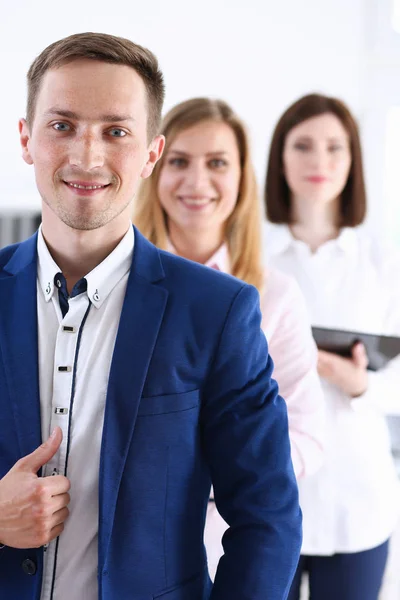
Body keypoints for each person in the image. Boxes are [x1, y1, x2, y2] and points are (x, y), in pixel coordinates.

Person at [0, 33, 302, 600]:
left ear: (150, 154)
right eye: (62, 125)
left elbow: (268, 517)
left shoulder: (218, 312)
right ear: (26, 138)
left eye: (116, 132)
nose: (87, 156)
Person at [133, 97, 325, 578]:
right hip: (124, 542)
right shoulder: (117, 283)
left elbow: (305, 433)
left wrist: (225, 477)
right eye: (179, 161)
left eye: (217, 163)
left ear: (242, 178)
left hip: (227, 546)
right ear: (153, 167)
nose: (197, 183)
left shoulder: (275, 296)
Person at [263, 92, 400, 600]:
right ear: (280, 158)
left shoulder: (384, 265)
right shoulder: (252, 257)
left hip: (356, 500)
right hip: (265, 496)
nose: (318, 161)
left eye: (334, 148)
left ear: (353, 161)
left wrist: (360, 383)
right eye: (302, 146)